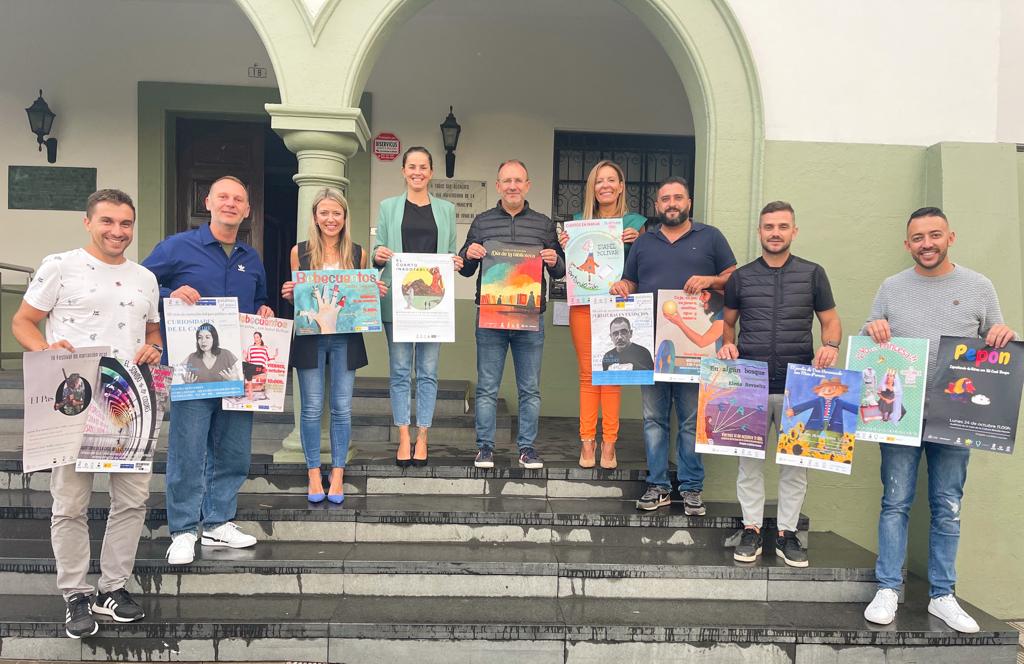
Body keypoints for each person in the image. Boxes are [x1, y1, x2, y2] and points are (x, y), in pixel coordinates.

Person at [12, 189, 162, 638]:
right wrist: (44, 349)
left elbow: (152, 328)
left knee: (132, 499)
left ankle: (113, 588)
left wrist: (153, 345)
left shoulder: (145, 277)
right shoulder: (59, 265)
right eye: (108, 222)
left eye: (126, 224)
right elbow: (22, 321)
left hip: (128, 399)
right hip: (73, 398)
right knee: (71, 503)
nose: (118, 231)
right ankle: (75, 594)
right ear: (88, 223)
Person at [861, 207, 1017, 633]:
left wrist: (1001, 335)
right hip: (899, 414)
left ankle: (943, 595)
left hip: (956, 418)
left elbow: (996, 341)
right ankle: (888, 587)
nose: (926, 243)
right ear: (906, 243)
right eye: (917, 237)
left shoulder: (979, 286)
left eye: (934, 235)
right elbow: (870, 335)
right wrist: (873, 328)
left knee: (947, 506)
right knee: (895, 502)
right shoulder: (892, 287)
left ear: (951, 237)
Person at [143, 175, 273, 565]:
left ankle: (218, 521)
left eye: (239, 199)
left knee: (233, 450)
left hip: (237, 372)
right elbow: (141, 286)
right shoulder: (178, 247)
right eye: (224, 197)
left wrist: (265, 311)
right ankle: (183, 529)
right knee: (188, 449)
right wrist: (169, 293)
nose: (231, 203)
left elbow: (260, 302)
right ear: (209, 202)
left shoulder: (251, 259)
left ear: (247, 210)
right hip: (191, 372)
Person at [717, 201, 841, 567]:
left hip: (799, 386)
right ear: (760, 232)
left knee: (795, 466)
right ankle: (752, 529)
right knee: (749, 466)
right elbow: (728, 323)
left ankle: (787, 535)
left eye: (782, 226)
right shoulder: (741, 277)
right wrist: (728, 344)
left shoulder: (813, 273)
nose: (775, 232)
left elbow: (831, 321)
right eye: (769, 226)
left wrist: (830, 347)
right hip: (750, 387)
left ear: (794, 231)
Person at [610, 176, 736, 513]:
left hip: (696, 350)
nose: (671, 204)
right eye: (665, 199)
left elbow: (734, 277)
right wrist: (622, 285)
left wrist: (711, 280)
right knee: (653, 419)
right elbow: (631, 280)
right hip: (653, 346)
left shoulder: (710, 237)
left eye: (677, 198)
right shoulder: (645, 242)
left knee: (692, 419)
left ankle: (691, 487)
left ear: (689, 202)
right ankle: (658, 485)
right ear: (657, 205)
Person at [459, 160, 565, 469]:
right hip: (490, 319)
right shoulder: (482, 222)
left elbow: (560, 271)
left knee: (530, 388)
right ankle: (485, 449)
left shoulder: (544, 224)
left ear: (528, 185)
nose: (512, 186)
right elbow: (466, 270)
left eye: (518, 180)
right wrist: (469, 253)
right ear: (498, 185)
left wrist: (554, 258)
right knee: (487, 387)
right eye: (507, 180)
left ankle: (527, 448)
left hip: (530, 321)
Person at [281, 188, 386, 503]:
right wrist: (291, 294)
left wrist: (372, 293)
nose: (330, 219)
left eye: (336, 213)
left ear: (344, 217)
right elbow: (301, 303)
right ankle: (314, 473)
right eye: (324, 213)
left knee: (342, 408)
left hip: (346, 339)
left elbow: (356, 302)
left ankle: (337, 472)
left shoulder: (358, 253)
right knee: (311, 408)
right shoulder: (298, 252)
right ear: (315, 216)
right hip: (311, 338)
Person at [372, 147, 462, 467]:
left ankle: (424, 435)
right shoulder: (388, 207)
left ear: (431, 171)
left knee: (428, 372)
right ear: (403, 171)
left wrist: (454, 261)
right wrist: (378, 254)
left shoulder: (447, 210)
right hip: (398, 301)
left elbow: (449, 252)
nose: (417, 172)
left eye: (423, 167)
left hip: (432, 305)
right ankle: (404, 436)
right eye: (412, 166)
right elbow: (376, 249)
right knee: (399, 371)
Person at [558, 160, 647, 468]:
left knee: (612, 374)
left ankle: (609, 444)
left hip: (616, 307)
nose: (605, 185)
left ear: (621, 186)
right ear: (592, 189)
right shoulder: (577, 223)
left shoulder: (636, 223)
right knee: (587, 374)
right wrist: (567, 247)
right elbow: (569, 268)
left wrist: (638, 243)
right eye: (599, 181)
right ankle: (587, 442)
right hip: (583, 306)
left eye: (611, 180)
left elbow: (642, 268)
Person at [242, 331, 277, 400]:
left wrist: (275, 355)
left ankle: (250, 393)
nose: (256, 339)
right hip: (251, 365)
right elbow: (249, 360)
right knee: (241, 364)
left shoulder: (265, 348)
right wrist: (245, 356)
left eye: (257, 337)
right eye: (254, 337)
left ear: (260, 338)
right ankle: (235, 389)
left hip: (260, 368)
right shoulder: (250, 347)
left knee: (248, 370)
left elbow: (268, 358)